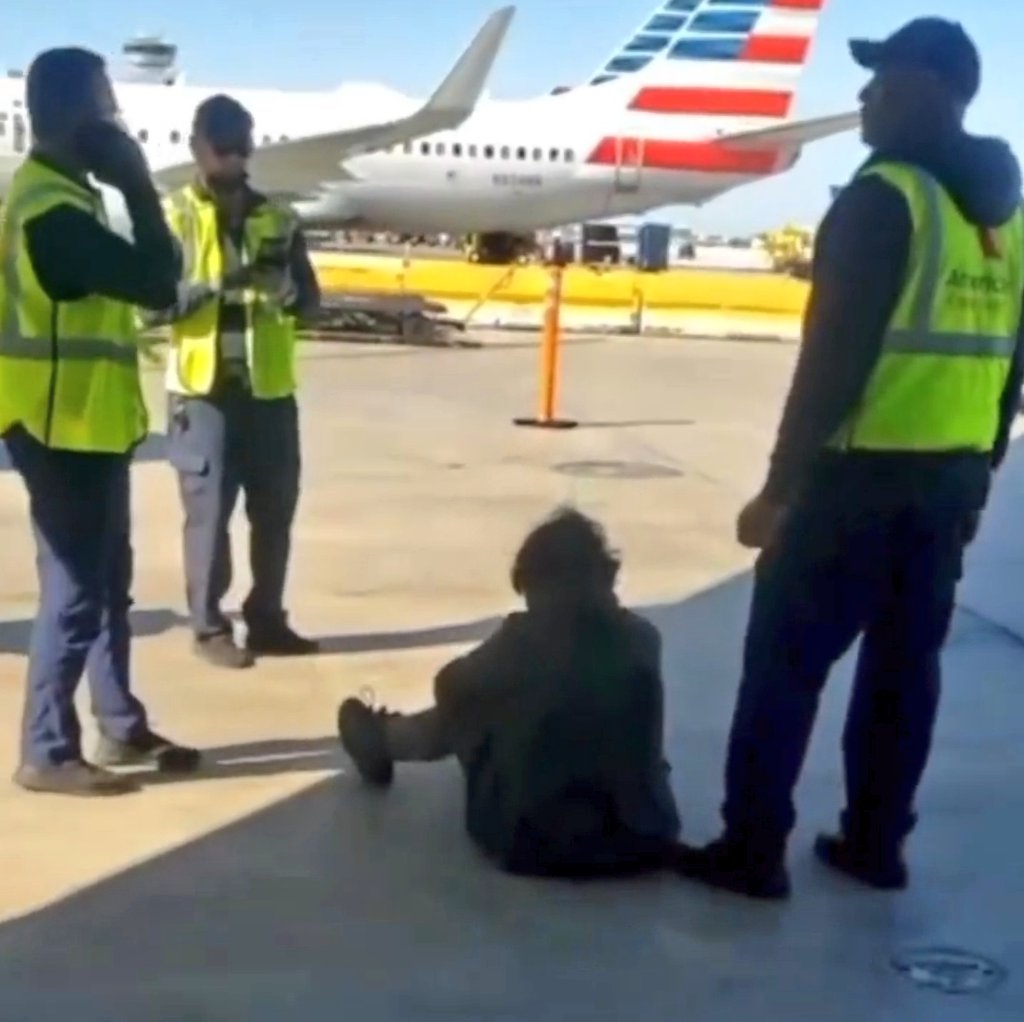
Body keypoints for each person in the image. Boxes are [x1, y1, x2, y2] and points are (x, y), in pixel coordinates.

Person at [676, 19, 1024, 899]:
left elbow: (831, 361)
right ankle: (875, 846)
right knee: (904, 673)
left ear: (937, 89)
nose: (866, 96)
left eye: (884, 78)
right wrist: (982, 469)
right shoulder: (1007, 219)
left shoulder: (885, 198)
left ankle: (752, 851)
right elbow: (1013, 360)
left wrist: (777, 488)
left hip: (857, 479)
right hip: (944, 484)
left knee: (783, 666)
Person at [0, 47, 201, 796]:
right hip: (59, 424)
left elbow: (152, 274)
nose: (117, 117)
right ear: (78, 117)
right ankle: (47, 751)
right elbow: (155, 279)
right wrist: (140, 185)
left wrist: (127, 189)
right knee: (78, 590)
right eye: (106, 103)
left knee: (106, 582)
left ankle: (119, 725)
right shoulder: (51, 212)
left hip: (92, 422)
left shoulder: (65, 197)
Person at [337, 508, 683, 878]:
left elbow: (450, 686)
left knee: (471, 705)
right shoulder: (644, 637)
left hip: (537, 843)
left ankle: (385, 741)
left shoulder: (523, 642)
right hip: (643, 837)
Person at [149, 94, 321, 669]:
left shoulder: (278, 218)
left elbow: (311, 304)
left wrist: (288, 293)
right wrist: (211, 286)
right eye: (220, 148)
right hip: (203, 393)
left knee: (275, 511)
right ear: (197, 147)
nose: (229, 160)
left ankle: (267, 618)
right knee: (209, 514)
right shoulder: (173, 217)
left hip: (267, 390)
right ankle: (208, 627)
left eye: (238, 149)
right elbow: (150, 307)